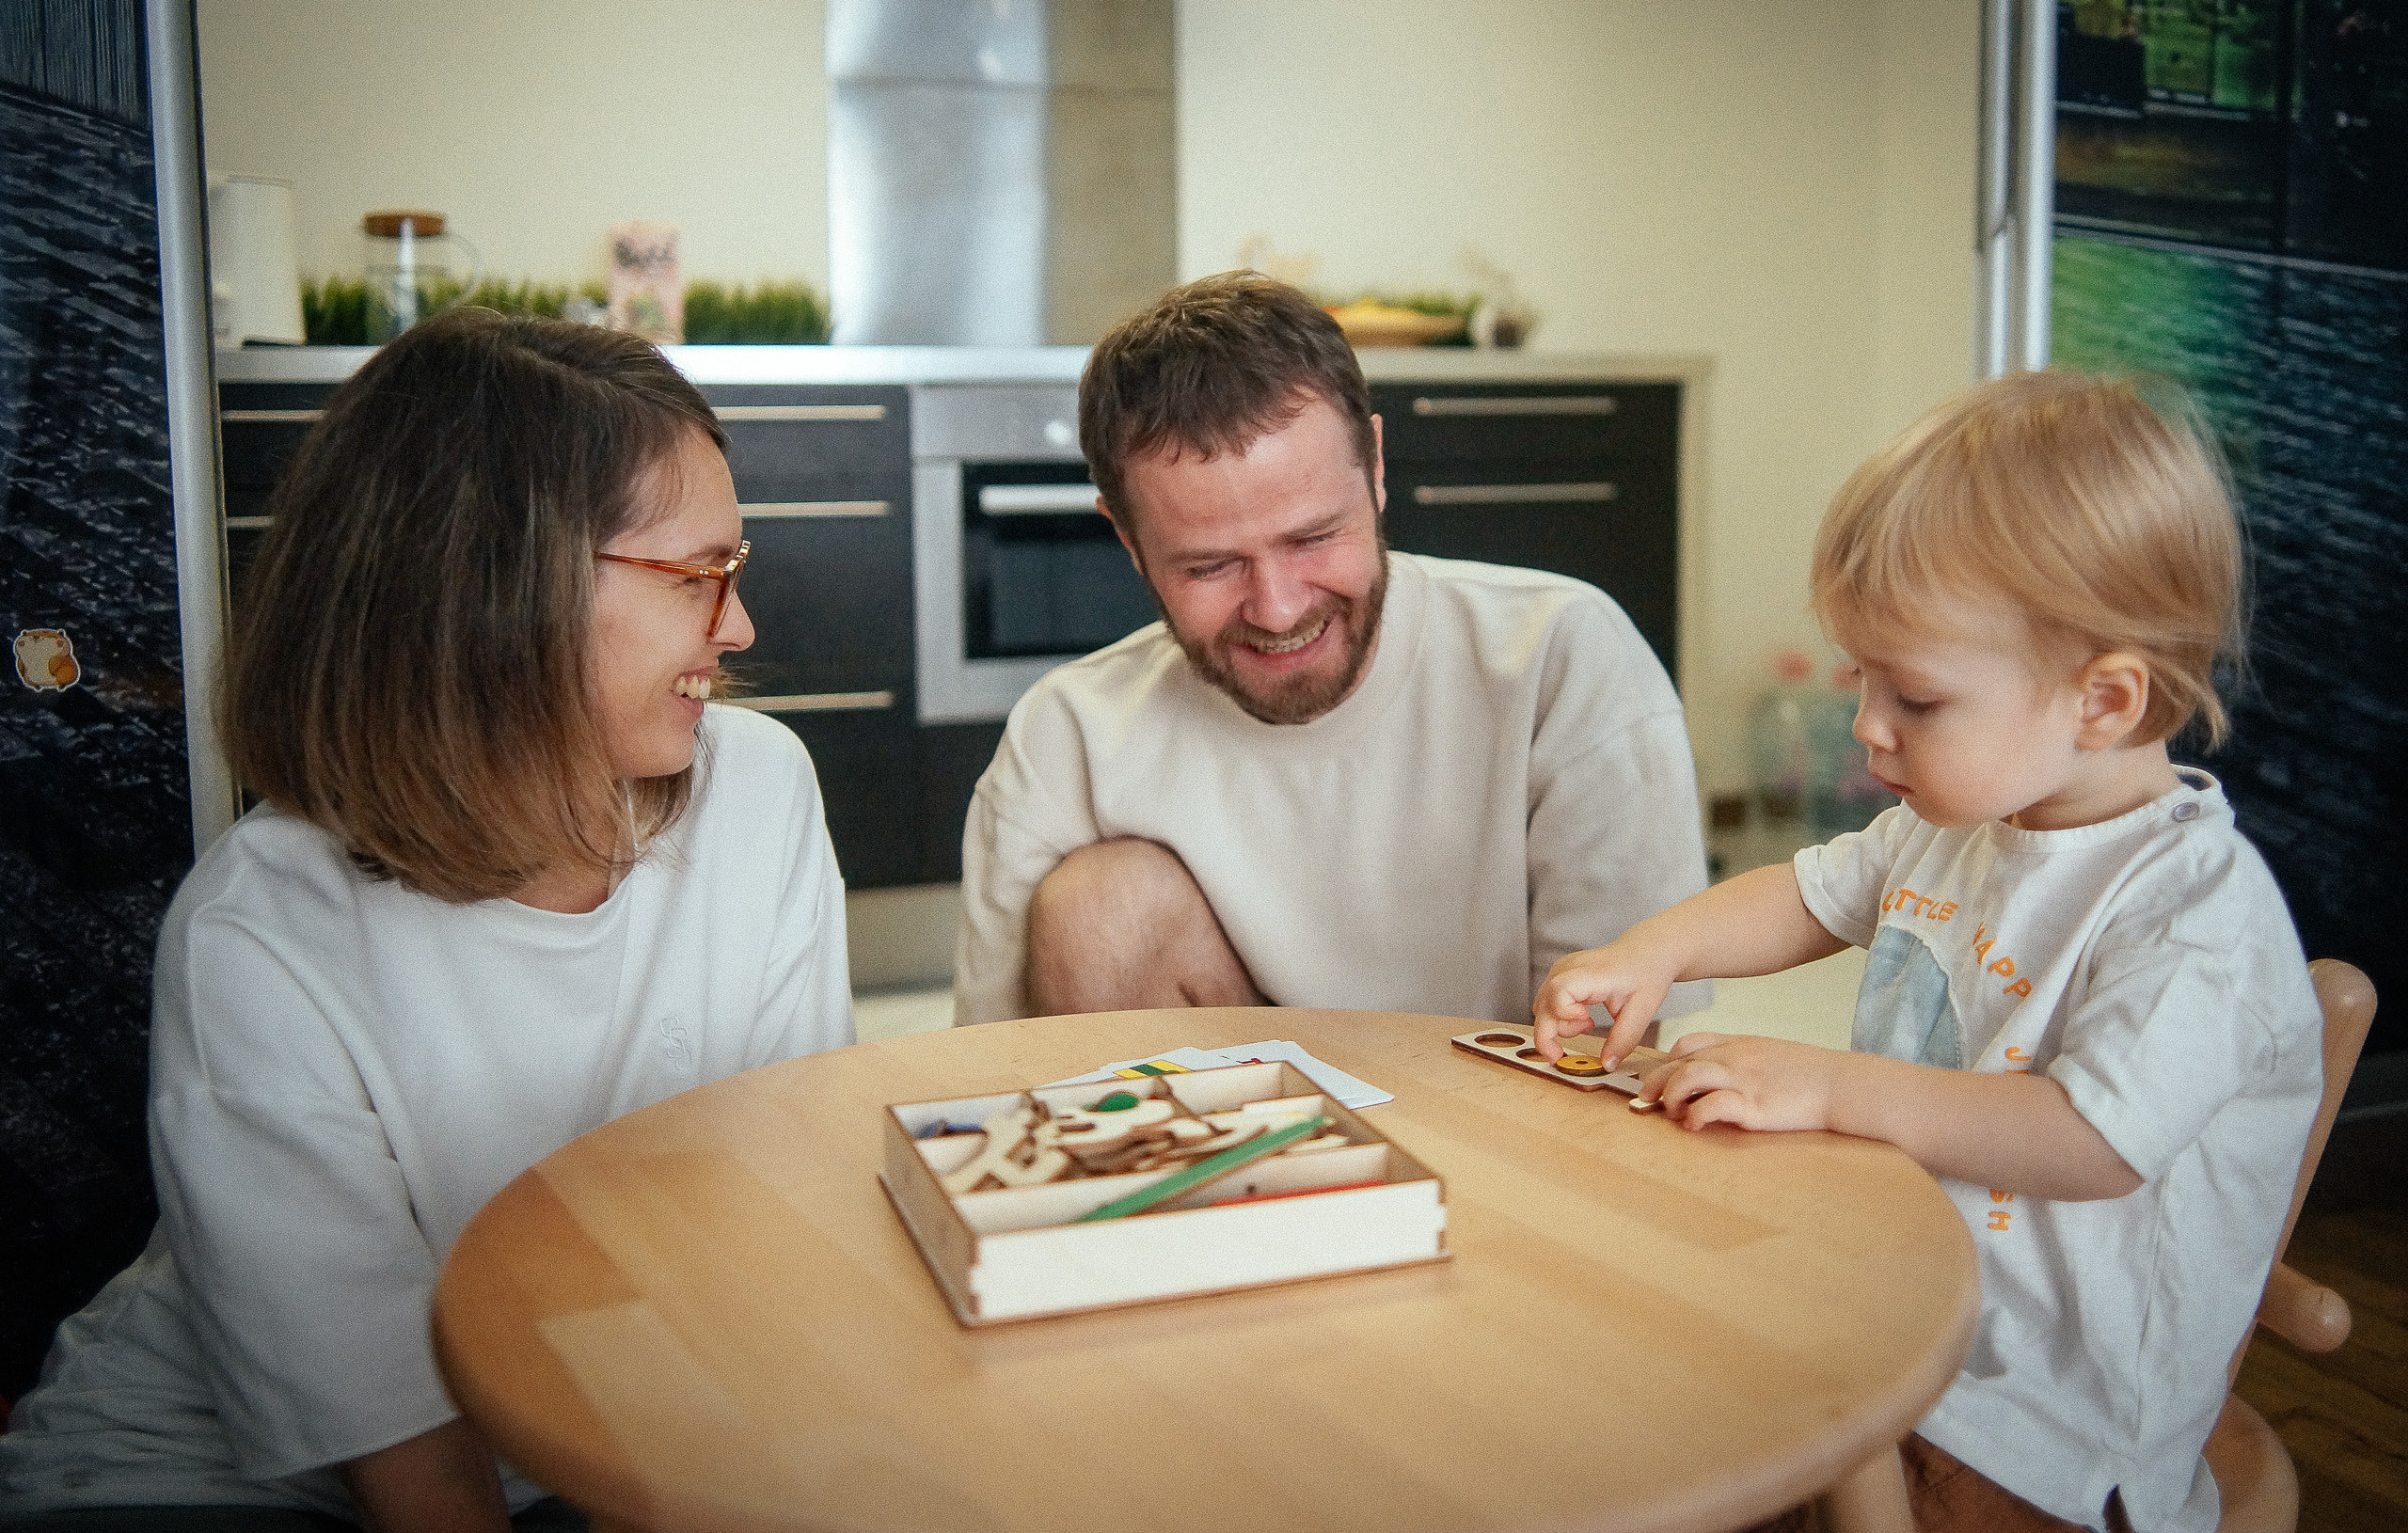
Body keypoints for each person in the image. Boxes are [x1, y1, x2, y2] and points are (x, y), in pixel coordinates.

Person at [0, 312, 854, 1529]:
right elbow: (408, 1457)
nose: (739, 625)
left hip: (570, 1434)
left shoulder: (757, 791)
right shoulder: (261, 929)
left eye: (736, 566)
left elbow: (778, 1210)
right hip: (228, 1481)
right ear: (499, 588)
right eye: (695, 574)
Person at [1532, 371, 2321, 1532]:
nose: (1866, 726)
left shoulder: (2193, 914)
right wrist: (1653, 950)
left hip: (2044, 1421)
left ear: (2103, 703)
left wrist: (1829, 1088)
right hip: (1899, 1311)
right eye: (1862, 679)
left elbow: (2094, 1140)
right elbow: (1804, 896)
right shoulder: (1959, 826)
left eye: (1915, 697)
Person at [955, 271, 1709, 1026]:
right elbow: (992, 1072)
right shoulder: (1066, 737)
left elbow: (1606, 1053)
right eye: (1210, 566)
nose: (1279, 609)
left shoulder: (1562, 660)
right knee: (1101, 907)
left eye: (1314, 537)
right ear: (1128, 541)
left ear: (1374, 467)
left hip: (1506, 1097)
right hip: (1219, 1101)